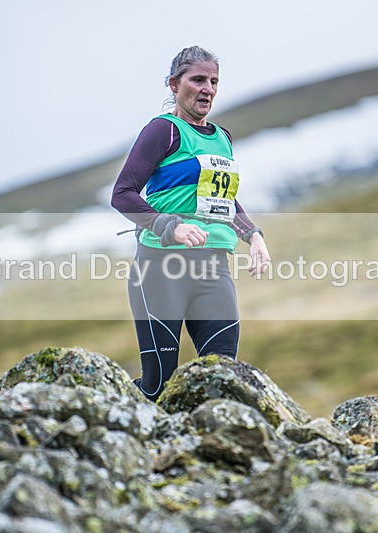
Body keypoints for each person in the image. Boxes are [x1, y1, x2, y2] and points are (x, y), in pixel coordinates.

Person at [111, 46, 271, 401]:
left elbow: (223, 199)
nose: (207, 89)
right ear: (174, 85)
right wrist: (169, 226)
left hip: (214, 269)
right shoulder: (163, 131)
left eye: (213, 81)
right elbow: (123, 193)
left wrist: (253, 236)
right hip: (161, 269)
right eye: (198, 79)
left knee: (223, 379)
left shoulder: (222, 138)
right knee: (158, 387)